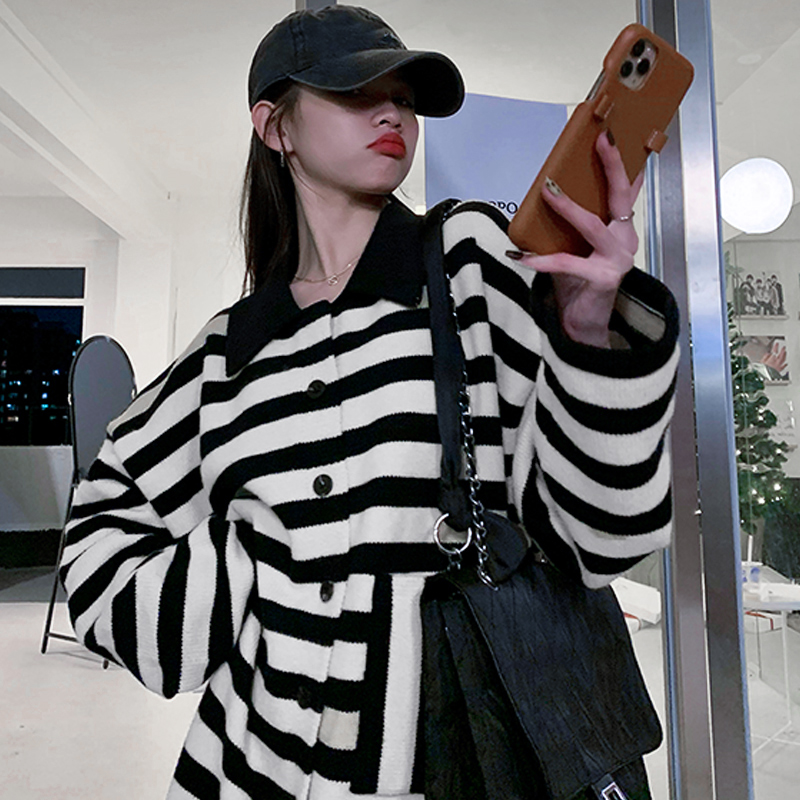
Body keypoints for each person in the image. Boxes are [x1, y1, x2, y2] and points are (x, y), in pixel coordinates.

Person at [60, 6, 679, 799]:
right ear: (274, 126)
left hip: (469, 763)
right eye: (356, 92)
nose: (393, 114)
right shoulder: (228, 351)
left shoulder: (470, 262)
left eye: (405, 98)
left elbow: (602, 541)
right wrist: (250, 560)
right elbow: (100, 534)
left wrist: (589, 331)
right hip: (251, 769)